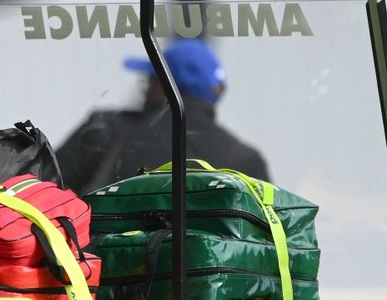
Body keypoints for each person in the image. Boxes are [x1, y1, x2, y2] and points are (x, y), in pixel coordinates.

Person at [56, 38, 269, 194]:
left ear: (163, 87)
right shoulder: (247, 161)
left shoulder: (106, 130)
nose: (144, 90)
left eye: (149, 81)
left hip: (113, 256)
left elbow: (38, 193)